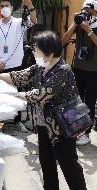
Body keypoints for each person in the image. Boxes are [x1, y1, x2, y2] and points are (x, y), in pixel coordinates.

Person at [0, 31, 87, 190]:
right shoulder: (40, 67)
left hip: (63, 126)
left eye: (36, 49)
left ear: (49, 53)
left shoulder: (63, 70)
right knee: (47, 164)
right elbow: (18, 76)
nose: (33, 52)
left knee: (69, 165)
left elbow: (41, 94)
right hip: (44, 125)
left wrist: (11, 94)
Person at [0, 0, 37, 131]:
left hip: (18, 65)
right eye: (2, 6)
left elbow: (34, 21)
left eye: (7, 5)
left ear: (11, 7)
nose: (4, 8)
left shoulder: (19, 23)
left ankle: (17, 121)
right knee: (1, 95)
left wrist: (30, 6)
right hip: (2, 66)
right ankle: (0, 121)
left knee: (18, 94)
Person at [63, 0, 97, 145]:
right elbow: (64, 40)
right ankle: (77, 129)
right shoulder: (79, 23)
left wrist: (88, 30)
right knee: (76, 100)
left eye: (88, 11)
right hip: (78, 67)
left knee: (89, 101)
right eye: (84, 10)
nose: (85, 13)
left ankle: (86, 133)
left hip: (93, 70)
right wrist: (74, 24)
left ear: (95, 12)